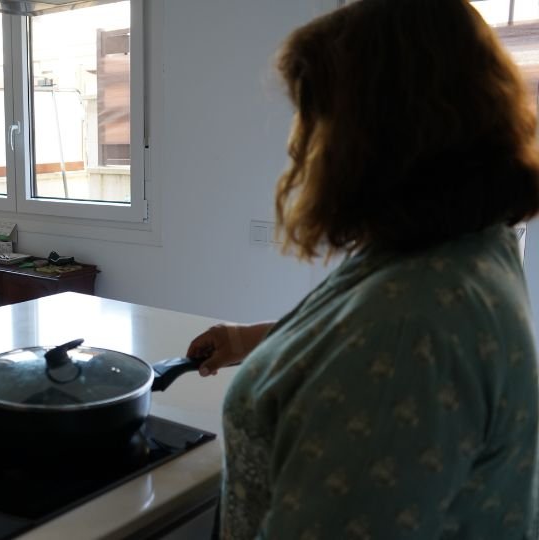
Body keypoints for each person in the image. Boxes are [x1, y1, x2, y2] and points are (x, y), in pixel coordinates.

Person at [185, 1, 539, 538]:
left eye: (316, 118)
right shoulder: (468, 244)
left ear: (374, 138)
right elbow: (350, 332)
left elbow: (383, 346)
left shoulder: (409, 336)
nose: (302, 145)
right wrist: (246, 340)